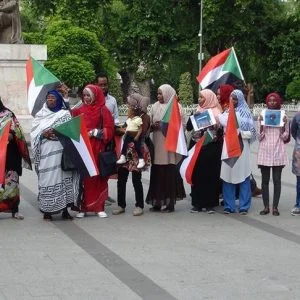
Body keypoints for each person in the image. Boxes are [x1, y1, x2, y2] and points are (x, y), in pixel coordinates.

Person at [31, 91, 80, 221]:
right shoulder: (40, 115)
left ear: (58, 100)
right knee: (47, 179)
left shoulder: (64, 114)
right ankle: (47, 211)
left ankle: (65, 210)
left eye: (53, 98)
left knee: (64, 179)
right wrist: (43, 135)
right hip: (46, 153)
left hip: (62, 151)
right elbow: (34, 134)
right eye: (48, 98)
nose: (50, 100)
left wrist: (58, 132)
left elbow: (71, 131)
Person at [72, 84, 114, 218]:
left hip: (98, 148)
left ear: (95, 96)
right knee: (85, 177)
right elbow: (72, 124)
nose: (86, 98)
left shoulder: (104, 110)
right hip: (84, 148)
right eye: (84, 95)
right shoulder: (79, 110)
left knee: (98, 177)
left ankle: (99, 207)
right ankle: (83, 208)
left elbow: (110, 130)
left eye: (88, 95)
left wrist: (97, 132)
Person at [146, 84, 186, 212]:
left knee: (169, 173)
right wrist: (153, 126)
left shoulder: (177, 107)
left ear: (168, 93)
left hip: (170, 145)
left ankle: (170, 203)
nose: (159, 96)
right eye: (157, 93)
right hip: (158, 144)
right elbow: (148, 124)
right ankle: (157, 202)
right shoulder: (154, 107)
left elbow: (182, 125)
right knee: (157, 173)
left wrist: (167, 127)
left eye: (161, 93)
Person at [219, 89, 256, 215]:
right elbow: (221, 123)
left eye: (235, 99)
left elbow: (252, 133)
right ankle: (229, 206)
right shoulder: (226, 113)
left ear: (240, 99)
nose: (233, 101)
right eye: (231, 98)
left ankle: (244, 206)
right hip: (228, 147)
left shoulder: (246, 114)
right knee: (227, 176)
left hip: (242, 148)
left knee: (244, 175)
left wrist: (241, 133)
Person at [113, 93, 151, 216]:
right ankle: (121, 205)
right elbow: (123, 128)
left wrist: (127, 131)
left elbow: (139, 133)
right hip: (126, 151)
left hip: (137, 150)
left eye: (129, 104)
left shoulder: (144, 117)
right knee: (121, 179)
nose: (128, 106)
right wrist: (118, 129)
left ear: (135, 105)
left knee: (136, 179)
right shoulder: (130, 117)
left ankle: (139, 205)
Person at [186, 89, 223, 213]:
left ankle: (210, 204)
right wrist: (193, 117)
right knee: (196, 174)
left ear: (208, 98)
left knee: (210, 175)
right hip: (197, 147)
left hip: (211, 148)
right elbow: (188, 128)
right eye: (199, 97)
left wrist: (213, 123)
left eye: (202, 97)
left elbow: (221, 132)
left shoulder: (217, 113)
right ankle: (197, 203)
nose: (199, 100)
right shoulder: (197, 110)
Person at [257, 93, 289, 216]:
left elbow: (286, 136)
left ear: (278, 102)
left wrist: (283, 125)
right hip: (265, 151)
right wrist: (261, 124)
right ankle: (266, 207)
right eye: (270, 101)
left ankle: (275, 207)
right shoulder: (263, 114)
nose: (272, 102)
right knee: (264, 181)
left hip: (278, 151)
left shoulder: (283, 115)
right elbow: (259, 137)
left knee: (277, 180)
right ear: (266, 102)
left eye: (274, 100)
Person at [0, 98, 31, 219]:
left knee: (11, 181)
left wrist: (10, 135)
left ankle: (14, 209)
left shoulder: (7, 114)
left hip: (9, 154)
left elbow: (17, 131)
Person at [116, 104, 145, 169]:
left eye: (129, 111)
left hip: (136, 134)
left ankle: (141, 160)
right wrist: (119, 129)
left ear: (133, 112)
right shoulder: (128, 120)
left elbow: (140, 129)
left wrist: (137, 136)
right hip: (129, 134)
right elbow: (123, 127)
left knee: (138, 147)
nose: (127, 113)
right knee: (124, 145)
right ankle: (123, 156)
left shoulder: (138, 119)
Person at [290, 112, 300, 216]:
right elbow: (293, 132)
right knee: (299, 181)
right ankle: (298, 205)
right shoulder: (297, 117)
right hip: (299, 152)